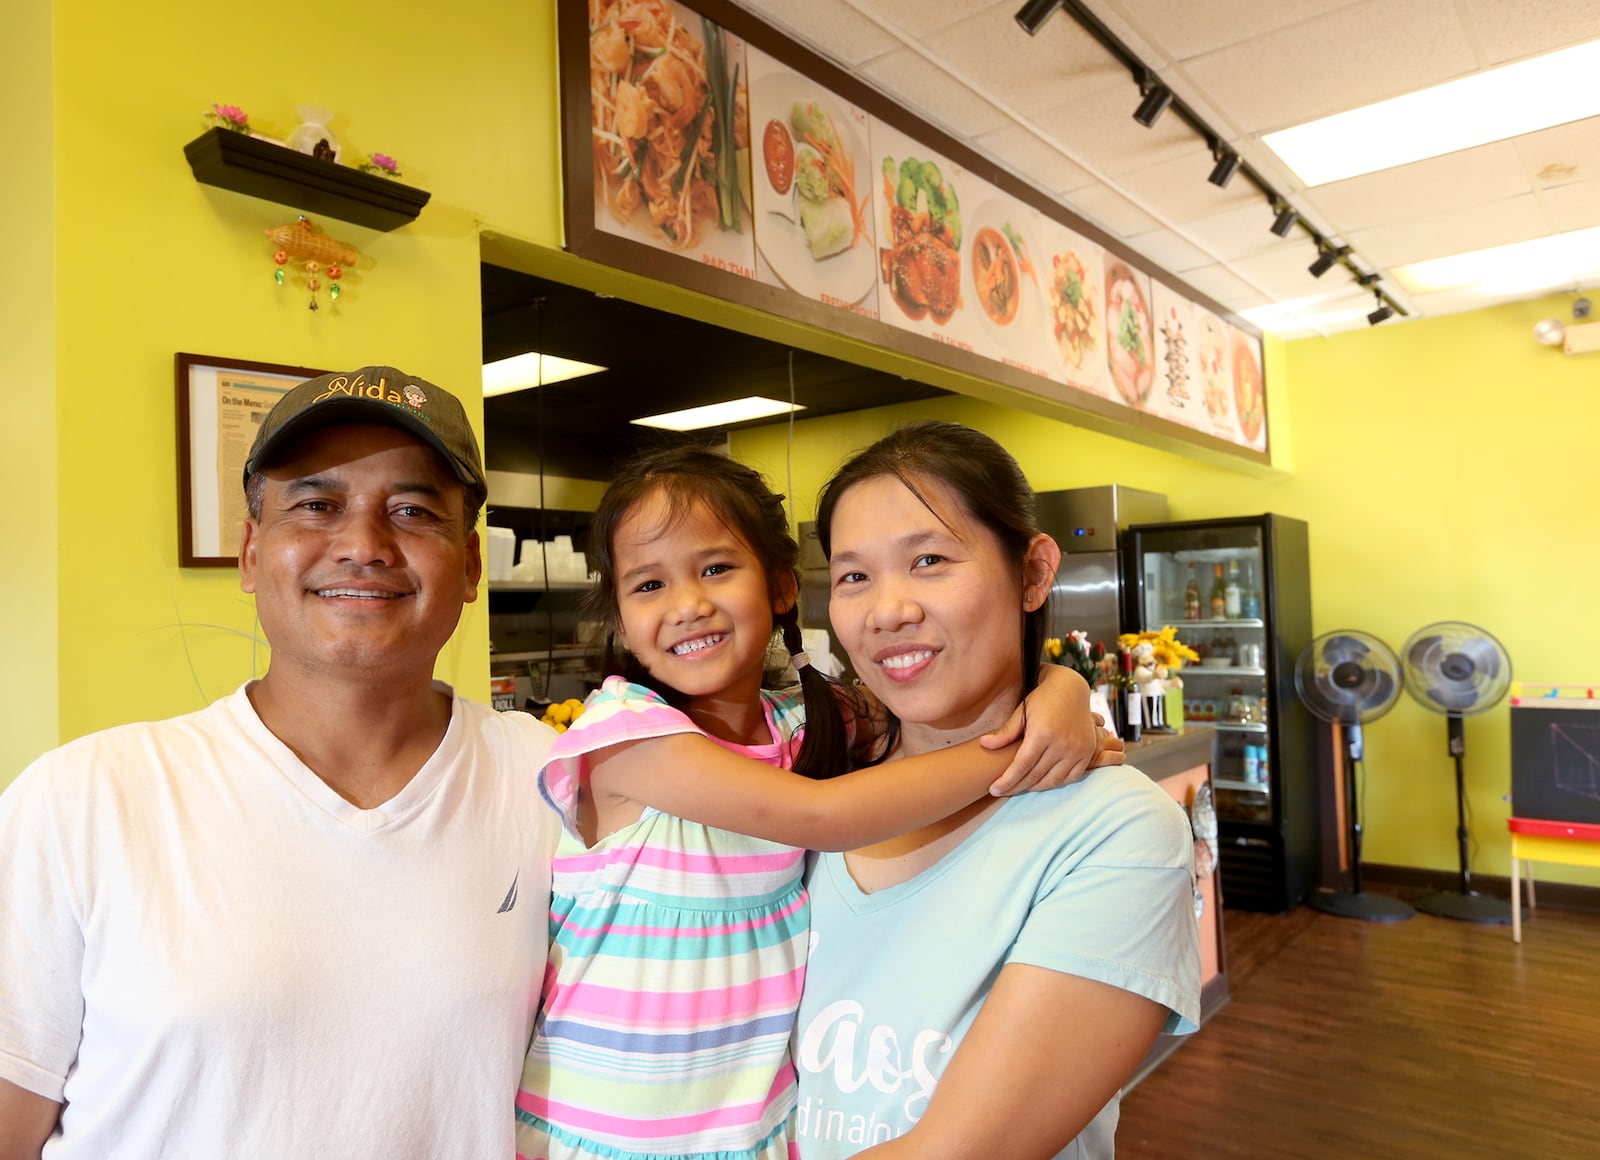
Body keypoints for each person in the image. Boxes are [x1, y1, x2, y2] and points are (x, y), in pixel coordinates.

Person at [0, 367, 560, 1159]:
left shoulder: (556, 785)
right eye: (316, 505)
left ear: (470, 566)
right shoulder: (86, 798)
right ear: (252, 552)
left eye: (412, 510)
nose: (364, 546)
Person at [514, 445, 1115, 1160]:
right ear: (616, 612)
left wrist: (1061, 690)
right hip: (606, 1132)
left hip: (753, 1131)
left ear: (779, 587)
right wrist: (1028, 745)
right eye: (647, 585)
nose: (688, 605)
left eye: (714, 569)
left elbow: (914, 706)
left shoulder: (805, 724)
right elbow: (823, 817)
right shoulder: (626, 737)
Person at [791, 421, 1202, 1159]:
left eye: (929, 559)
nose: (887, 610)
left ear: (1034, 572)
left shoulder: (1116, 831)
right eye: (854, 576)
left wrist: (1063, 686)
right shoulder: (811, 781)